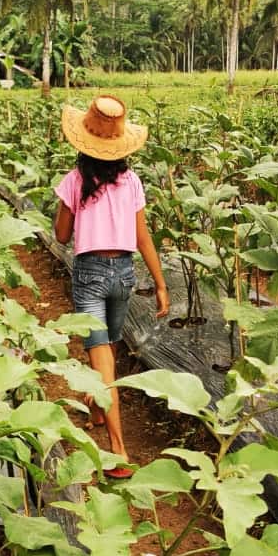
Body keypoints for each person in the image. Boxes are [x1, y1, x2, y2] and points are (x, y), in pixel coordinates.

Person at [54, 95, 169, 478]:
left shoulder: (74, 181)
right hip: (124, 274)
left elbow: (61, 234)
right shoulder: (132, 181)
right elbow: (143, 238)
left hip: (89, 274)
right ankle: (98, 404)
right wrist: (161, 284)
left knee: (102, 364)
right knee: (108, 351)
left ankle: (119, 452)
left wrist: (69, 209)